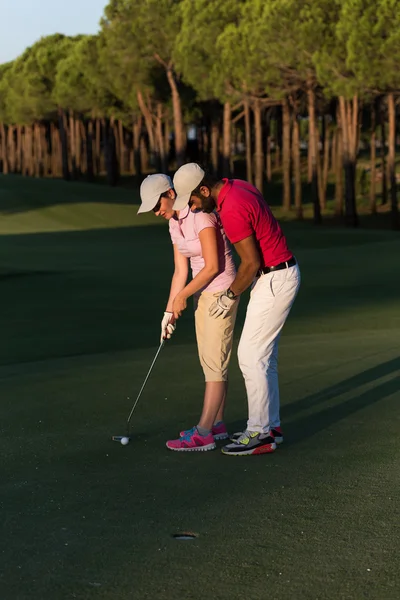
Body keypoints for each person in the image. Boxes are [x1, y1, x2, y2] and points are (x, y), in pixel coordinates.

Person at [172, 163, 301, 456]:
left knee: (250, 356)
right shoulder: (238, 185)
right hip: (277, 274)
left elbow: (251, 263)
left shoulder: (230, 209)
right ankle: (271, 427)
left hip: (273, 277)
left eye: (192, 200)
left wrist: (228, 296)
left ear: (204, 190)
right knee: (264, 358)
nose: (192, 207)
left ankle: (259, 433)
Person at [138, 173, 239, 452]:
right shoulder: (174, 222)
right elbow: (180, 270)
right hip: (201, 292)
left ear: (170, 193)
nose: (156, 212)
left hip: (221, 291)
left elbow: (213, 266)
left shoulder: (200, 215)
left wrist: (183, 296)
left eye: (156, 204)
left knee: (215, 362)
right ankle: (217, 425)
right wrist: (168, 312)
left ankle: (204, 432)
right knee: (209, 360)